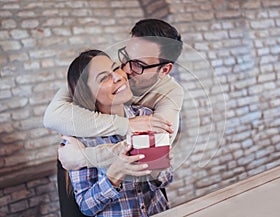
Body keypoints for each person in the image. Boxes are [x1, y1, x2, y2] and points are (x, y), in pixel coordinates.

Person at [43, 19, 184, 170]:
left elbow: (154, 148)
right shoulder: (110, 66)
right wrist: (126, 125)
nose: (125, 70)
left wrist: (84, 157)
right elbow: (52, 117)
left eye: (139, 65)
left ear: (164, 70)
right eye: (126, 56)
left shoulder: (171, 93)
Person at [65, 49, 173, 216]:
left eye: (115, 68)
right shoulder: (80, 138)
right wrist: (115, 174)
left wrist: (156, 169)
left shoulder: (146, 116)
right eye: (103, 78)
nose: (118, 77)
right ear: (87, 94)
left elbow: (167, 178)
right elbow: (86, 207)